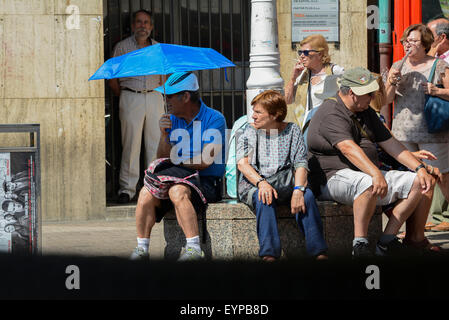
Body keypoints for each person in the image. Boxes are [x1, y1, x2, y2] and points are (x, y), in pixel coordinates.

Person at [307, 67, 440, 257]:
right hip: (332, 177)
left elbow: (392, 144)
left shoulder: (365, 110)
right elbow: (348, 148)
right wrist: (375, 173)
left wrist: (419, 169)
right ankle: (359, 245)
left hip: (363, 174)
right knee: (369, 183)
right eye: (368, 94)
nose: (371, 97)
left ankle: (387, 241)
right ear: (352, 93)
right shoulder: (331, 112)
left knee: (419, 183)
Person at [130, 72, 226, 261]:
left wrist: (177, 163)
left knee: (177, 191)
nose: (166, 100)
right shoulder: (171, 119)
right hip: (174, 177)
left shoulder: (215, 118)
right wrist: (164, 134)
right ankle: (142, 248)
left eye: (170, 96)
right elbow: (162, 157)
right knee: (145, 193)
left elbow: (206, 160)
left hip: (204, 180)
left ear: (186, 96)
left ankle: (193, 249)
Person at [236, 90, 328, 262]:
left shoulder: (292, 130)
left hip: (285, 182)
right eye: (253, 111)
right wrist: (261, 183)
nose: (253, 116)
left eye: (258, 112)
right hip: (255, 183)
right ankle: (269, 255)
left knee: (307, 196)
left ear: (275, 115)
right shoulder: (248, 131)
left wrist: (299, 190)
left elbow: (300, 163)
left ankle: (319, 253)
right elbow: (243, 164)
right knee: (264, 197)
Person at [385, 24, 449, 232]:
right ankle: (414, 232)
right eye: (406, 41)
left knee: (442, 177)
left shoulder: (438, 65)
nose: (408, 45)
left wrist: (436, 91)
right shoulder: (397, 65)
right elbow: (385, 100)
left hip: (431, 131)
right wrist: (391, 82)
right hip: (403, 132)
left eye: (413, 41)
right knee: (414, 181)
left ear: (425, 44)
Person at [108, 10, 165, 204]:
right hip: (131, 96)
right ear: (133, 26)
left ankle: (154, 186)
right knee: (131, 144)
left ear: (151, 26)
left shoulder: (158, 48)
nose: (143, 26)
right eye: (139, 22)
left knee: (155, 144)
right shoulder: (122, 47)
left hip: (154, 96)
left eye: (146, 22)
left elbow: (164, 75)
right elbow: (112, 77)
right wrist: (124, 95)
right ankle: (127, 188)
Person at [284, 34, 344, 128]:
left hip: (329, 128)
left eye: (306, 52)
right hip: (306, 128)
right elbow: (287, 100)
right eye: (300, 52)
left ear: (319, 54)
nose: (302, 56)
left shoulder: (335, 71)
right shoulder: (303, 75)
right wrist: (293, 79)